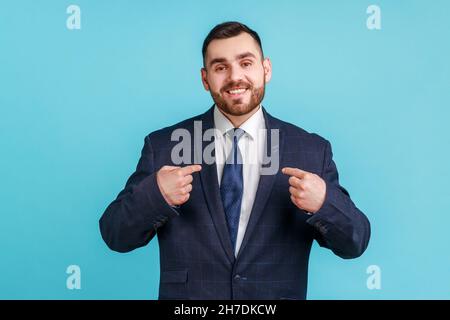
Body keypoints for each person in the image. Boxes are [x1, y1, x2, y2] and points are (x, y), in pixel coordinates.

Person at [99, 21, 371, 300]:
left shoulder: (311, 150)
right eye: (220, 67)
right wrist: (156, 195)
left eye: (246, 63)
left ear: (266, 69)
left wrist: (324, 203)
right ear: (205, 79)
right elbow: (115, 234)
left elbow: (356, 241)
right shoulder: (164, 146)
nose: (234, 77)